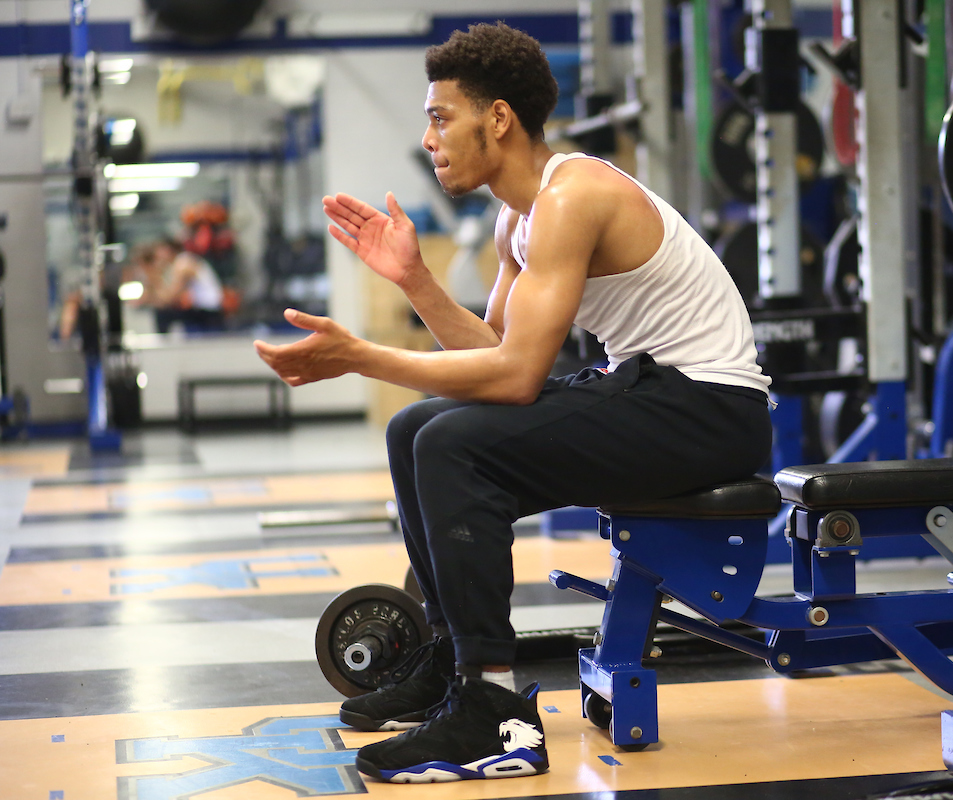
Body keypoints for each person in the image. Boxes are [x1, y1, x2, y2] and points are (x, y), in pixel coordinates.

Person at [254, 22, 772, 784]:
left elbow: (516, 379)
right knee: (416, 428)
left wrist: (362, 357)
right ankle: (449, 663)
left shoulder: (575, 195)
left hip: (708, 409)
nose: (429, 138)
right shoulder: (518, 217)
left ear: (497, 119)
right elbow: (491, 352)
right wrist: (415, 282)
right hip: (646, 390)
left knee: (449, 444)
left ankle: (492, 710)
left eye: (440, 117)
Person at [139, 239, 225, 333]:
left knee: (162, 313)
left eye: (159, 252)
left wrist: (155, 278)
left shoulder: (183, 264)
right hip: (201, 309)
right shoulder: (177, 265)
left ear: (168, 250)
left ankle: (162, 341)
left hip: (208, 310)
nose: (158, 257)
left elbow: (170, 298)